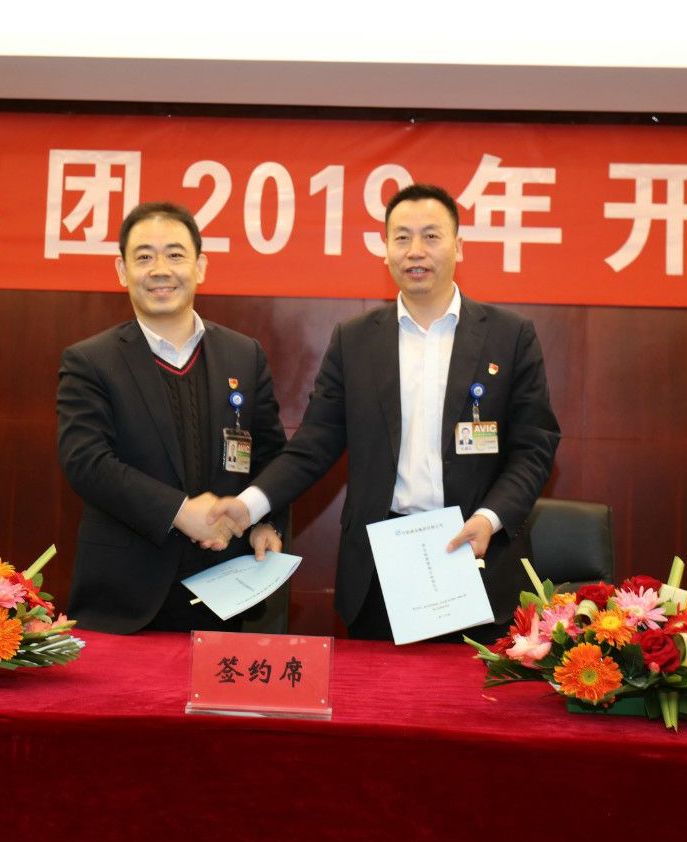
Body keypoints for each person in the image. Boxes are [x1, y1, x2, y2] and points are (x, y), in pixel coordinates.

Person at [211, 183, 560, 640]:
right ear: (386, 250)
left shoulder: (509, 336)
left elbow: (534, 448)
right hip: (382, 563)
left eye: (431, 236)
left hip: (477, 553)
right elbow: (313, 445)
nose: (415, 250)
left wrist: (489, 519)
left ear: (458, 246)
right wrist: (248, 505)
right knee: (377, 685)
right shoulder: (355, 340)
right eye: (402, 237)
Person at [58, 201, 286, 634]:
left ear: (200, 266)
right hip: (124, 597)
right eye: (144, 257)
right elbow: (86, 462)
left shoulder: (244, 354)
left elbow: (272, 455)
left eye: (175, 255)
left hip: (226, 588)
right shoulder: (90, 361)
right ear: (122, 271)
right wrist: (179, 511)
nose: (160, 270)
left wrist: (263, 520)